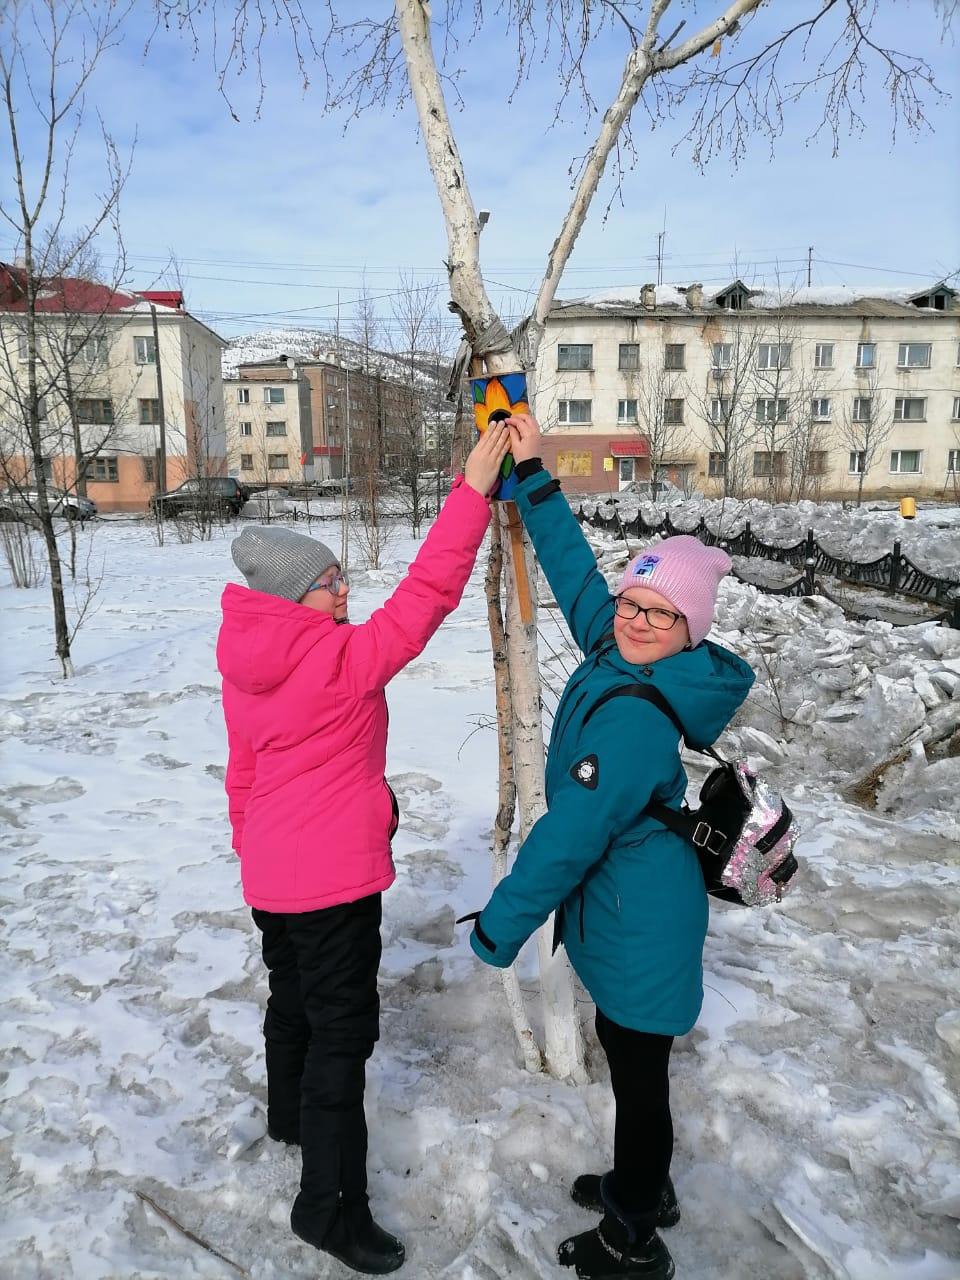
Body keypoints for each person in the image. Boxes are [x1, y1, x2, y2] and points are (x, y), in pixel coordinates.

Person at [464, 415, 755, 1280]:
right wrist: (534, 476)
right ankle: (645, 1187)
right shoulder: (621, 650)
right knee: (634, 1069)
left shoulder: (633, 721)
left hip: (641, 928)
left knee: (639, 1082)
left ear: (690, 630)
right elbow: (574, 573)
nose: (635, 620)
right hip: (634, 908)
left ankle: (635, 1234)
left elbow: (568, 838)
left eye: (660, 614)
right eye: (633, 603)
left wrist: (501, 927)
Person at [217, 423, 510, 1276]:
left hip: (271, 877)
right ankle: (328, 1208)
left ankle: (288, 1121)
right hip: (333, 884)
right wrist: (472, 492)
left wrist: (251, 849)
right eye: (329, 583)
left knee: (292, 1003)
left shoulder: (246, 666)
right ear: (292, 598)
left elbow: (242, 771)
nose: (344, 591)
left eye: (343, 576)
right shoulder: (342, 660)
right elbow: (427, 595)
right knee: (342, 1041)